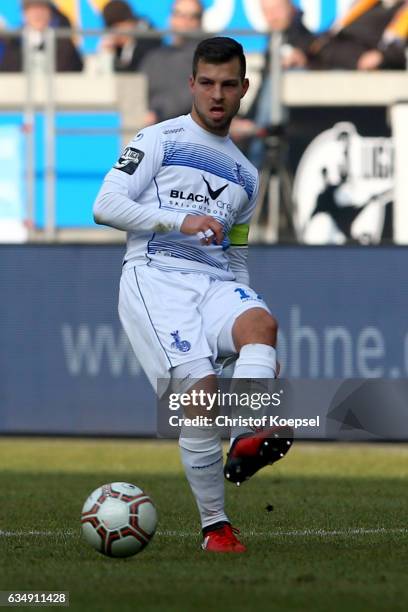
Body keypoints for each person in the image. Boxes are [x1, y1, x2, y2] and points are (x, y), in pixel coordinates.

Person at [93, 36, 292, 553]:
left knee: (261, 327)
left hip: (215, 282)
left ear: (244, 88)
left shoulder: (247, 176)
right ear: (192, 84)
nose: (217, 95)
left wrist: (242, 295)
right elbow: (105, 205)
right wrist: (179, 218)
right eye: (207, 83)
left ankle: (253, 433)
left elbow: (237, 253)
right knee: (199, 394)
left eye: (228, 84)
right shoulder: (158, 139)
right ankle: (215, 528)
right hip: (155, 276)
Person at [232, 0, 314, 167]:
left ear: (291, 8)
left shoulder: (303, 39)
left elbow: (311, 52)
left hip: (294, 131)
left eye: (277, 9)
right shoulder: (274, 40)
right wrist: (245, 119)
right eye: (266, 11)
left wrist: (303, 58)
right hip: (267, 123)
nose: (272, 17)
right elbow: (263, 90)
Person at [140, 0, 204, 126]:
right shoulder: (154, 58)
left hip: (189, 131)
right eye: (180, 15)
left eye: (194, 16)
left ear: (201, 21)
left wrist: (158, 113)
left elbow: (196, 94)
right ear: (171, 18)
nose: (186, 22)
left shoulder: (208, 58)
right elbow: (136, 92)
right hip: (151, 131)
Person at [308, 0, 408, 70]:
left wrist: (382, 56)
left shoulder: (402, 12)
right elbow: (332, 33)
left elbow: (398, 51)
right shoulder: (365, 5)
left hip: (364, 65)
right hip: (331, 57)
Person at [0, 0, 83, 72]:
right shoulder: (14, 42)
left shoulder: (63, 39)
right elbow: (8, 72)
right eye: (32, 9)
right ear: (24, 14)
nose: (37, 14)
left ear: (50, 12)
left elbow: (73, 67)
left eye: (42, 9)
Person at [100, 0, 161, 72]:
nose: (116, 34)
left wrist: (128, 44)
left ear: (128, 22)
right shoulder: (117, 45)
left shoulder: (149, 39)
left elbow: (134, 70)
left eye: (118, 28)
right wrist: (108, 53)